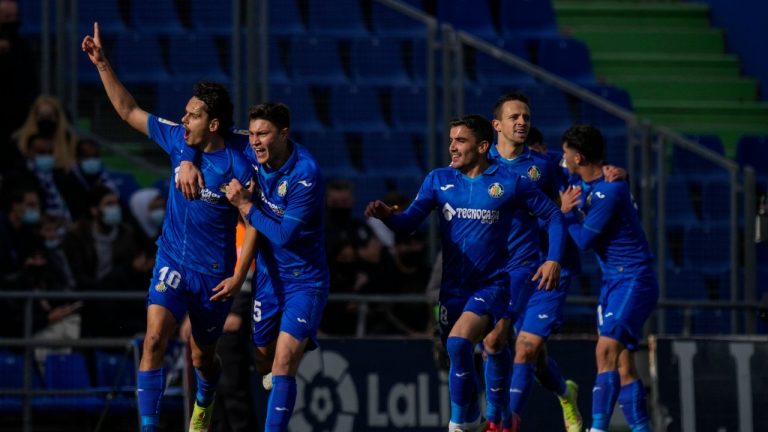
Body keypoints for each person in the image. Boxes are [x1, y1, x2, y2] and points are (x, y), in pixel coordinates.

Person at [82, 22, 254, 432]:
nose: (184, 118)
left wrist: (239, 276)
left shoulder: (242, 159)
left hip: (215, 275)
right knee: (155, 339)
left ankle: (204, 400)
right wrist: (102, 63)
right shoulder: (178, 139)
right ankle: (149, 427)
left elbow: (256, 222)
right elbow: (128, 111)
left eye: (193, 114)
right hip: (173, 258)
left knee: (202, 359)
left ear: (213, 124)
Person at [365, 114, 564, 432]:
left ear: (483, 146)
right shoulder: (438, 179)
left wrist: (553, 259)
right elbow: (410, 223)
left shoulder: (510, 182)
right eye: (450, 140)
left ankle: (462, 424)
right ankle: (476, 418)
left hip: (493, 284)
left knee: (460, 343)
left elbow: (553, 215)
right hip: (453, 289)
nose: (451, 147)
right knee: (462, 349)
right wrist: (388, 217)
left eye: (460, 141)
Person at [181, 102, 329, 432]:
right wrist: (187, 163)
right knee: (264, 360)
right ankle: (298, 343)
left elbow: (283, 236)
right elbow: (196, 135)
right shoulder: (251, 152)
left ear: (284, 134)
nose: (256, 141)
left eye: (264, 134)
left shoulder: (306, 174)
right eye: (252, 134)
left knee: (283, 362)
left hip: (304, 280)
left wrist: (246, 205)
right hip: (267, 278)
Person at [482, 93, 582, 432]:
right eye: (515, 118)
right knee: (533, 359)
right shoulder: (484, 162)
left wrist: (614, 176)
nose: (522, 122)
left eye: (526, 117)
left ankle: (504, 423)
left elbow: (582, 168)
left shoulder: (545, 166)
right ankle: (565, 392)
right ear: (498, 126)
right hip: (501, 270)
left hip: (542, 272)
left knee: (520, 347)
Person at [559, 125, 658, 432]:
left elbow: (585, 240)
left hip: (633, 279)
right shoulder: (588, 182)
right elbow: (548, 162)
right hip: (613, 282)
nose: (562, 158)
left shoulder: (610, 191)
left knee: (604, 351)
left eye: (566, 153)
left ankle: (597, 429)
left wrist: (565, 213)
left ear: (579, 156)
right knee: (623, 365)